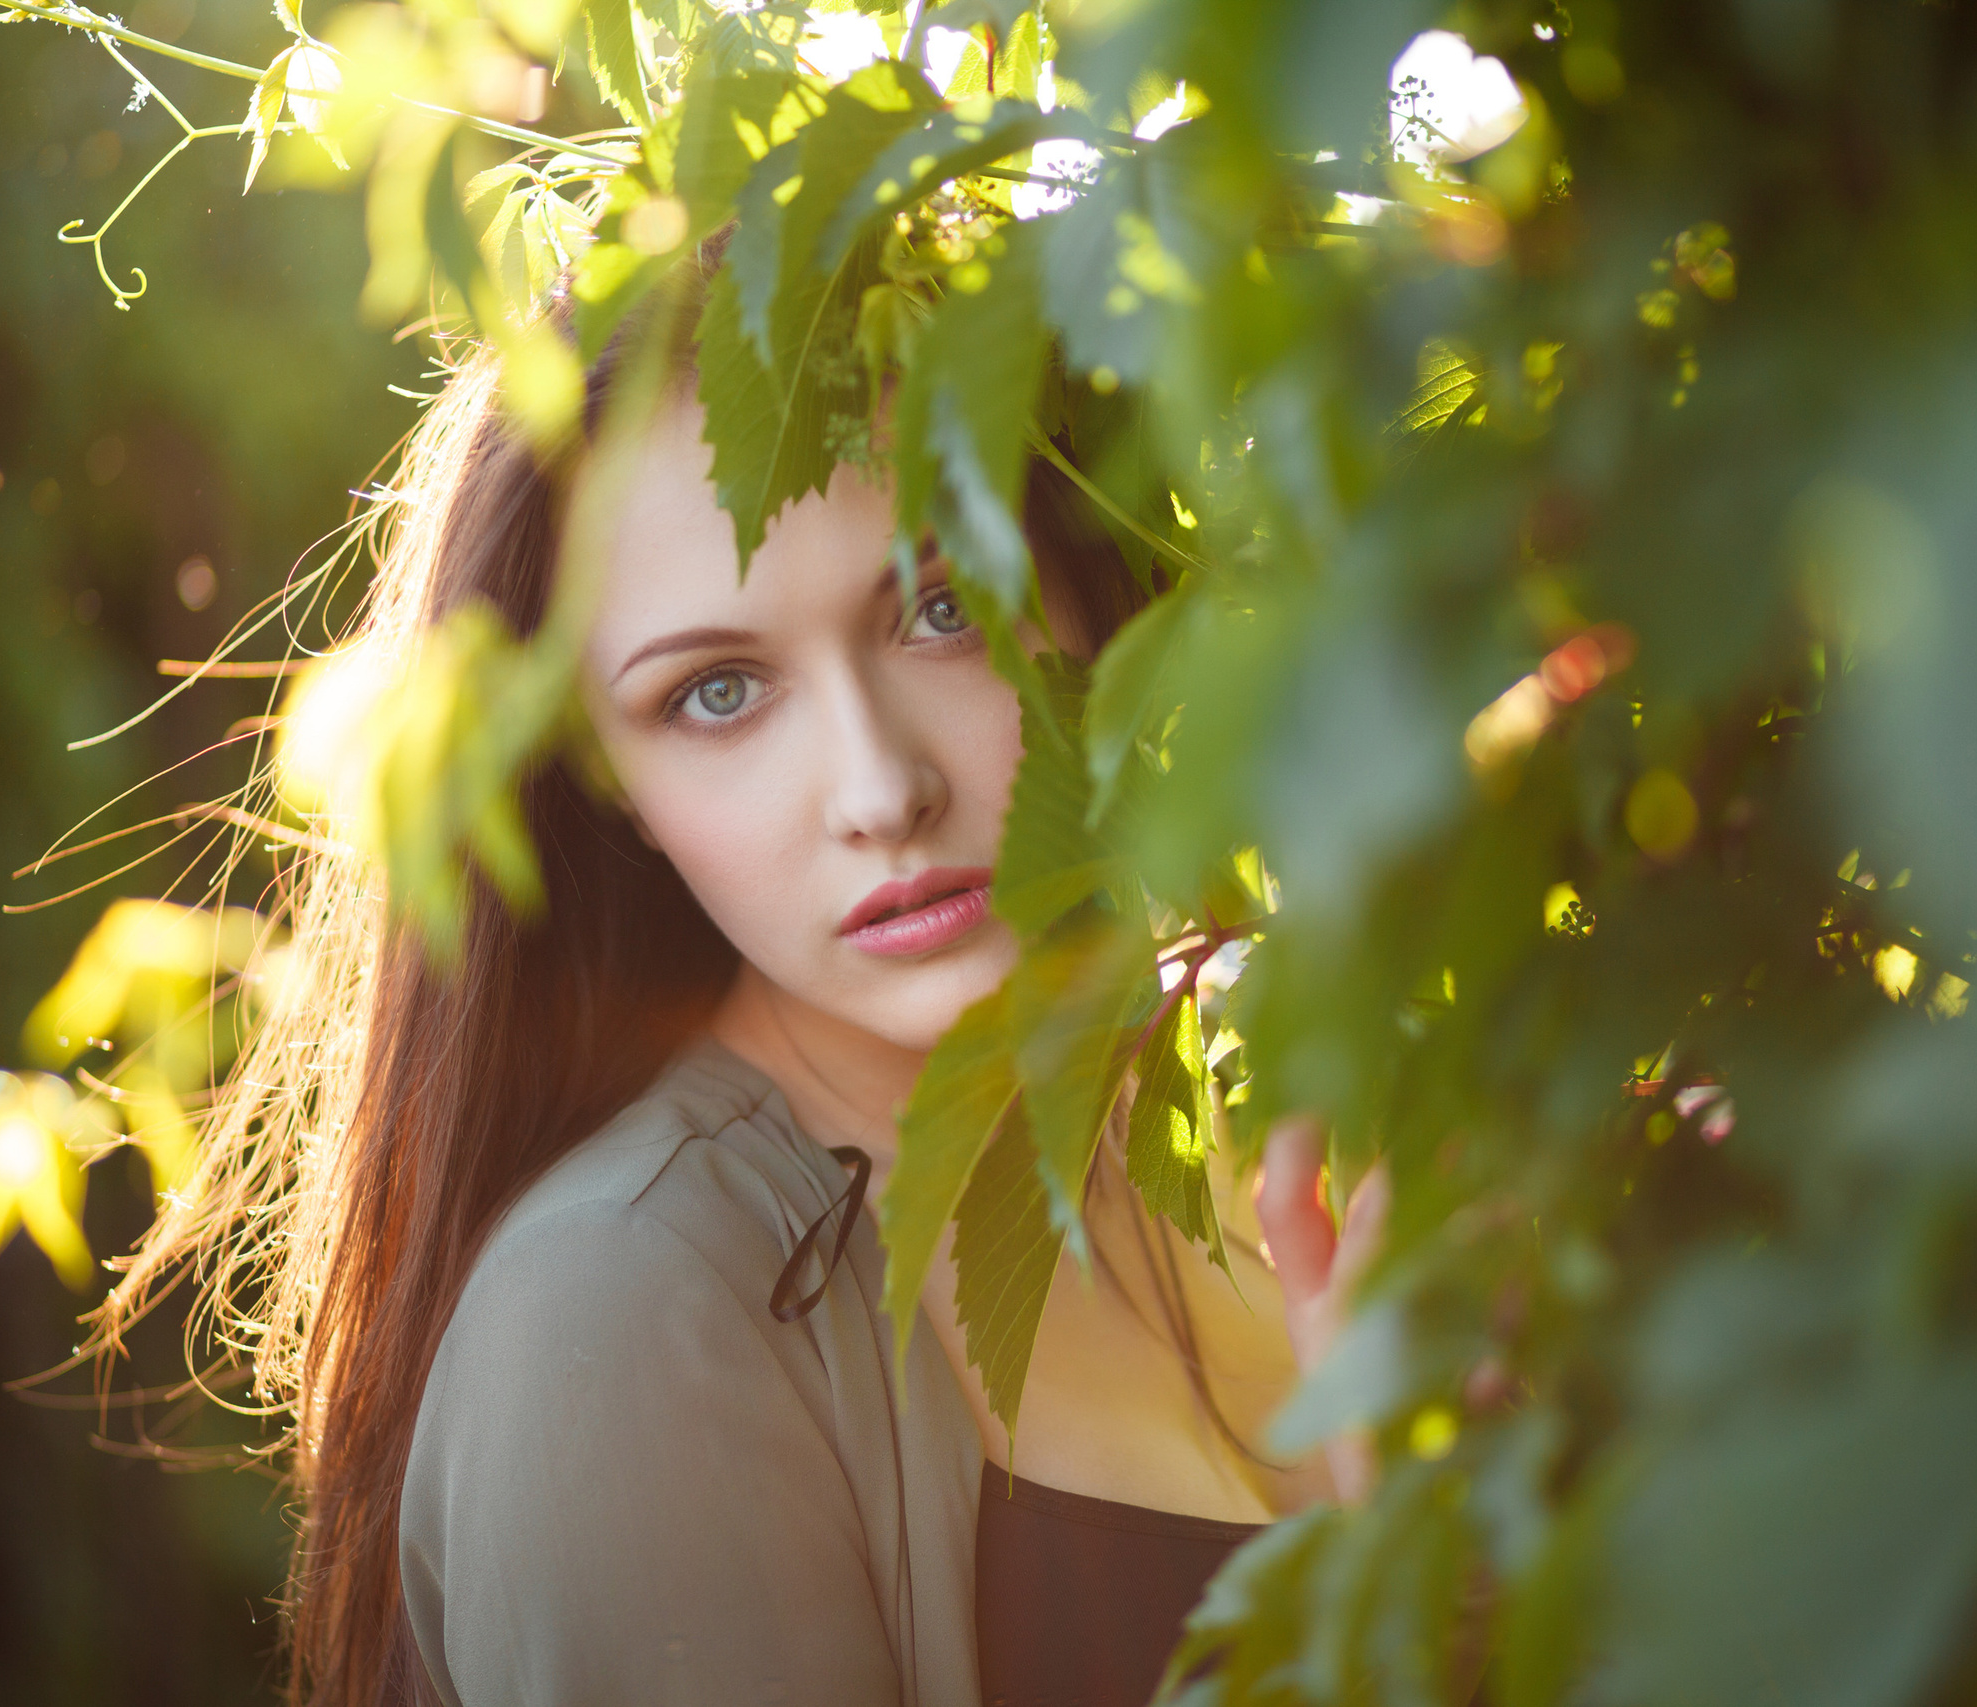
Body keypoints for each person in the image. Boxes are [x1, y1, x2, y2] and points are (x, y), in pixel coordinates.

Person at [98, 247, 1381, 1707]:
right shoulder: (622, 1316)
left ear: (1091, 592)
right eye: (716, 692)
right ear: (604, 781)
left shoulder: (1285, 1120)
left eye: (946, 606)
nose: (880, 789)